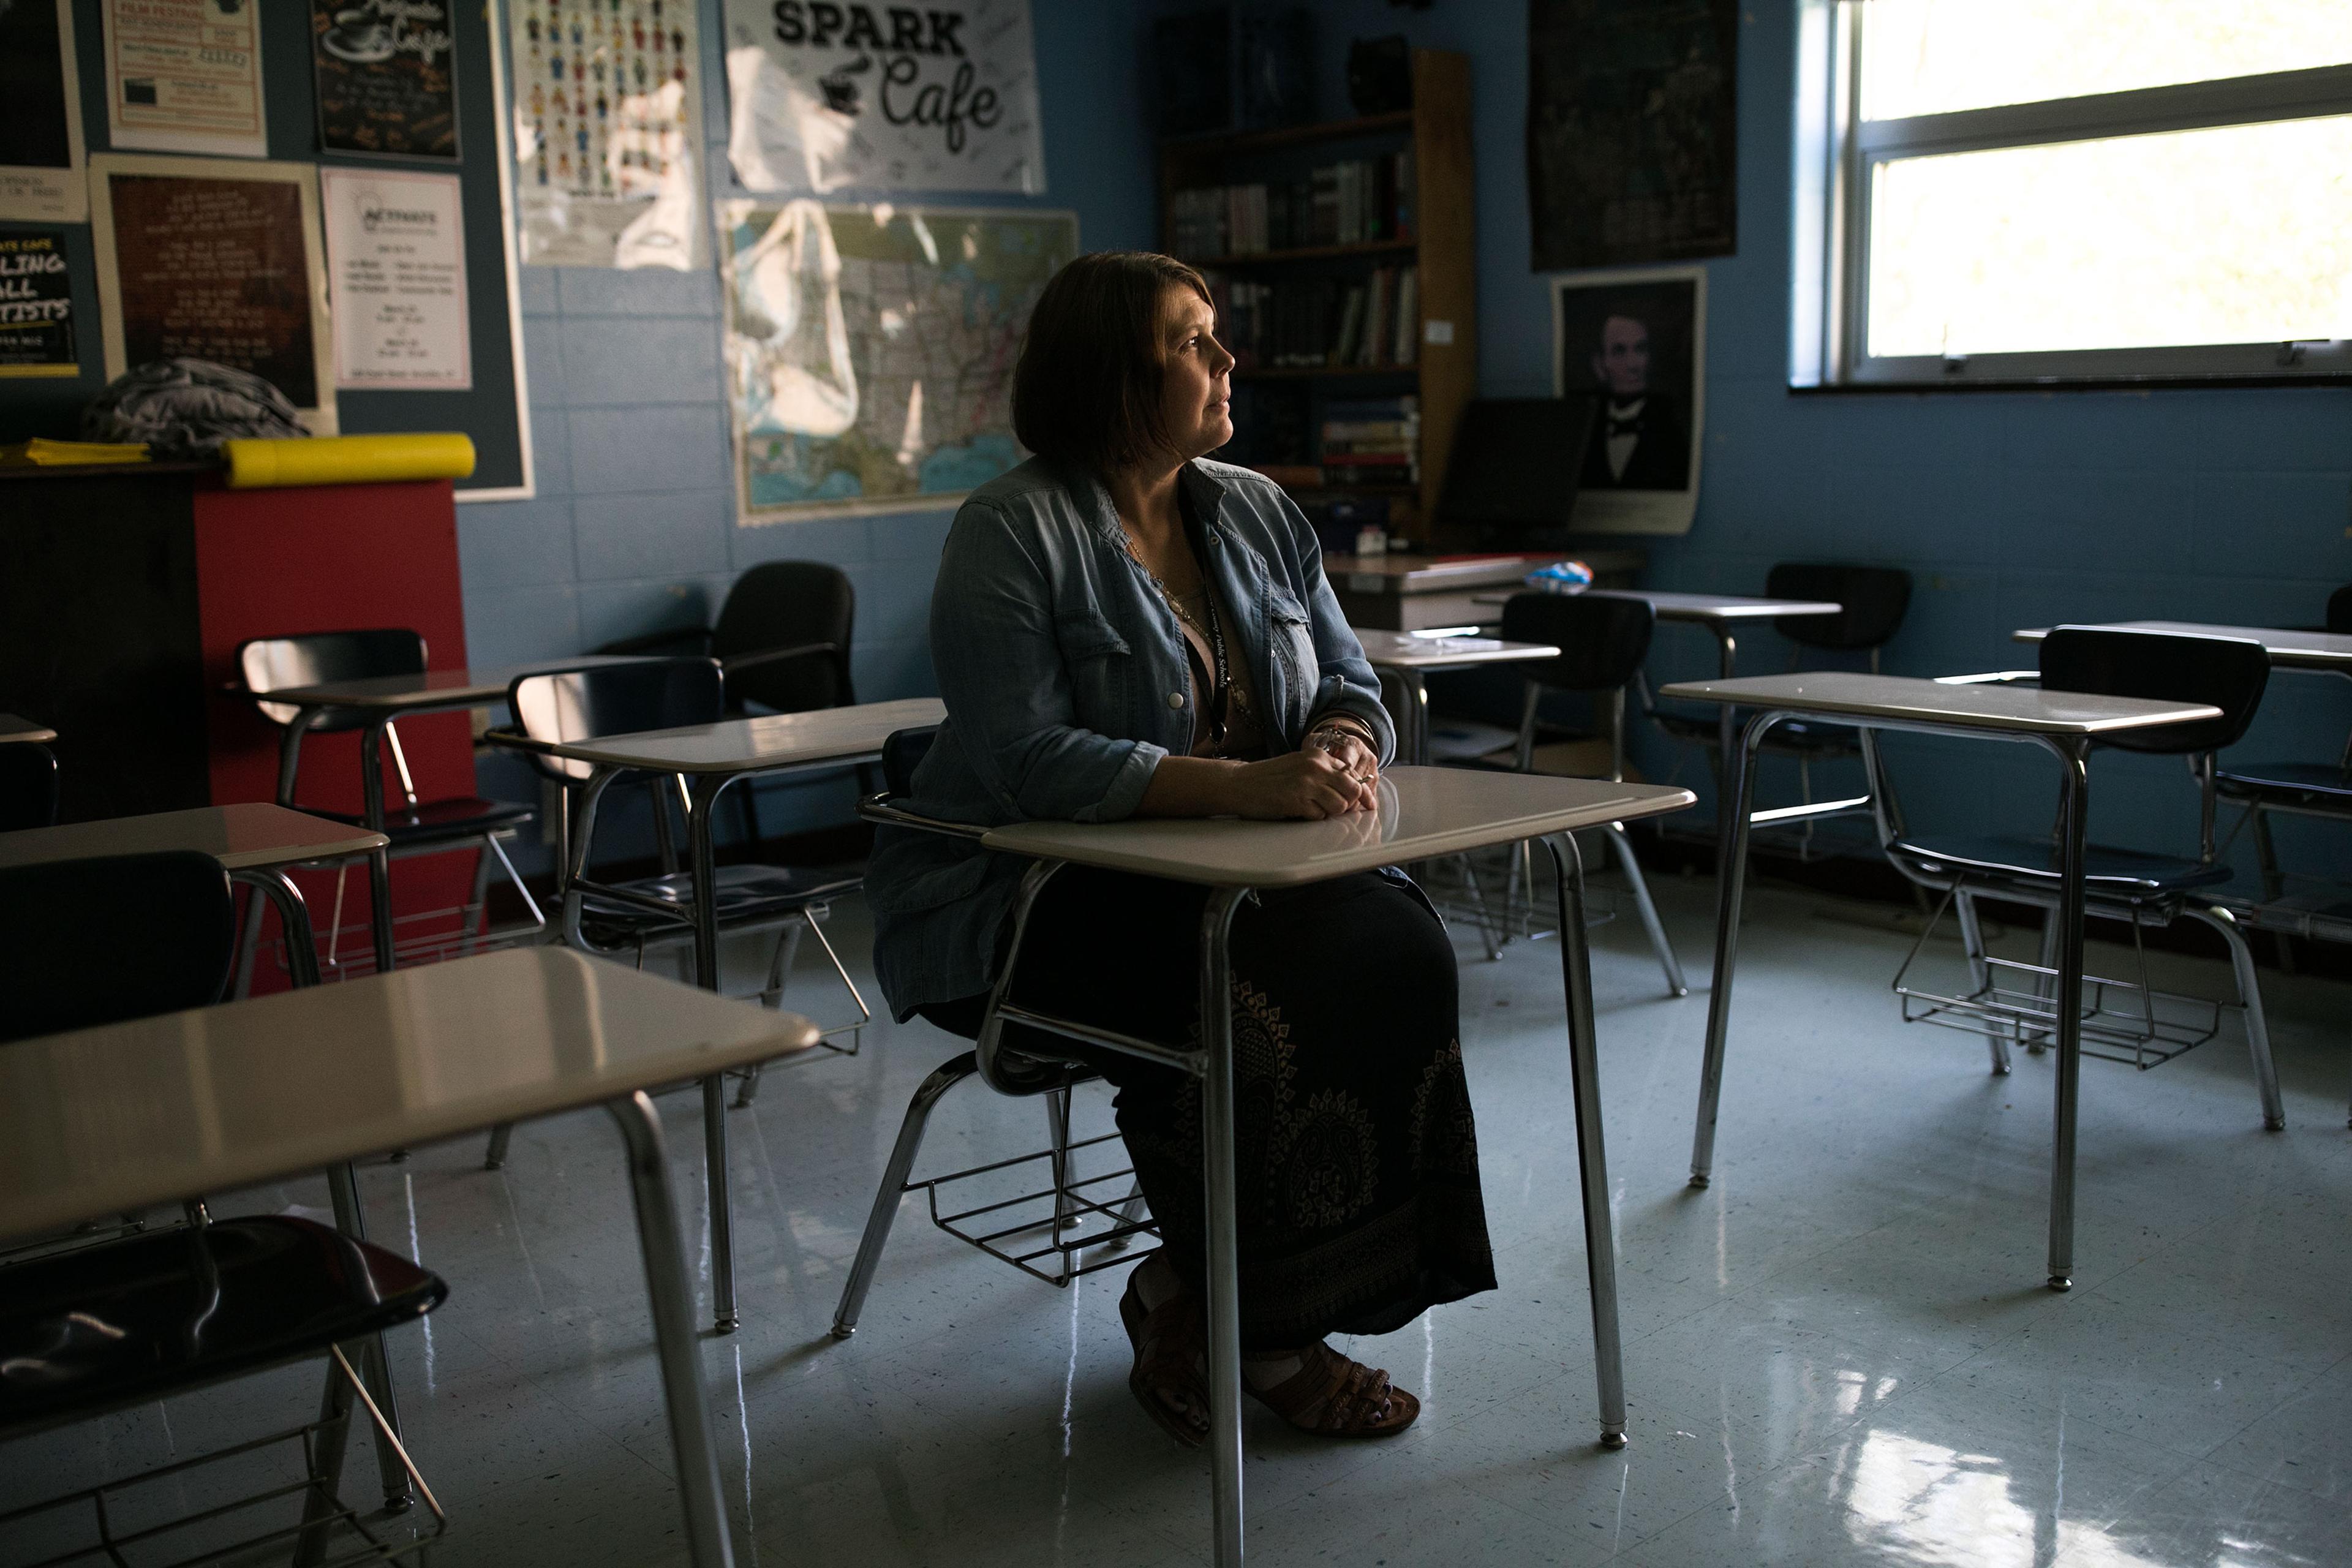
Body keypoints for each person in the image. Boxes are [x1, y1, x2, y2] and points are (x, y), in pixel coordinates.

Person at [865, 251, 1495, 1446]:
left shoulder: (1254, 507)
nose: (1226, 359)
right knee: (1244, 991)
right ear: (1114, 373)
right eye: (1190, 339)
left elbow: (1353, 683)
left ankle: (1204, 1294)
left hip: (1243, 880)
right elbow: (1027, 764)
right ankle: (1268, 1337)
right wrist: (1253, 783)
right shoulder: (1012, 530)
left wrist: (1349, 746)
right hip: (1028, 898)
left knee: (1401, 943)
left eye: (1218, 336)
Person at [1578, 306, 1689, 491]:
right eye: (1620, 351)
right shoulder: (1586, 425)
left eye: (1640, 349)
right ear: (1599, 364)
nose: (1633, 364)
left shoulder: (1673, 423)